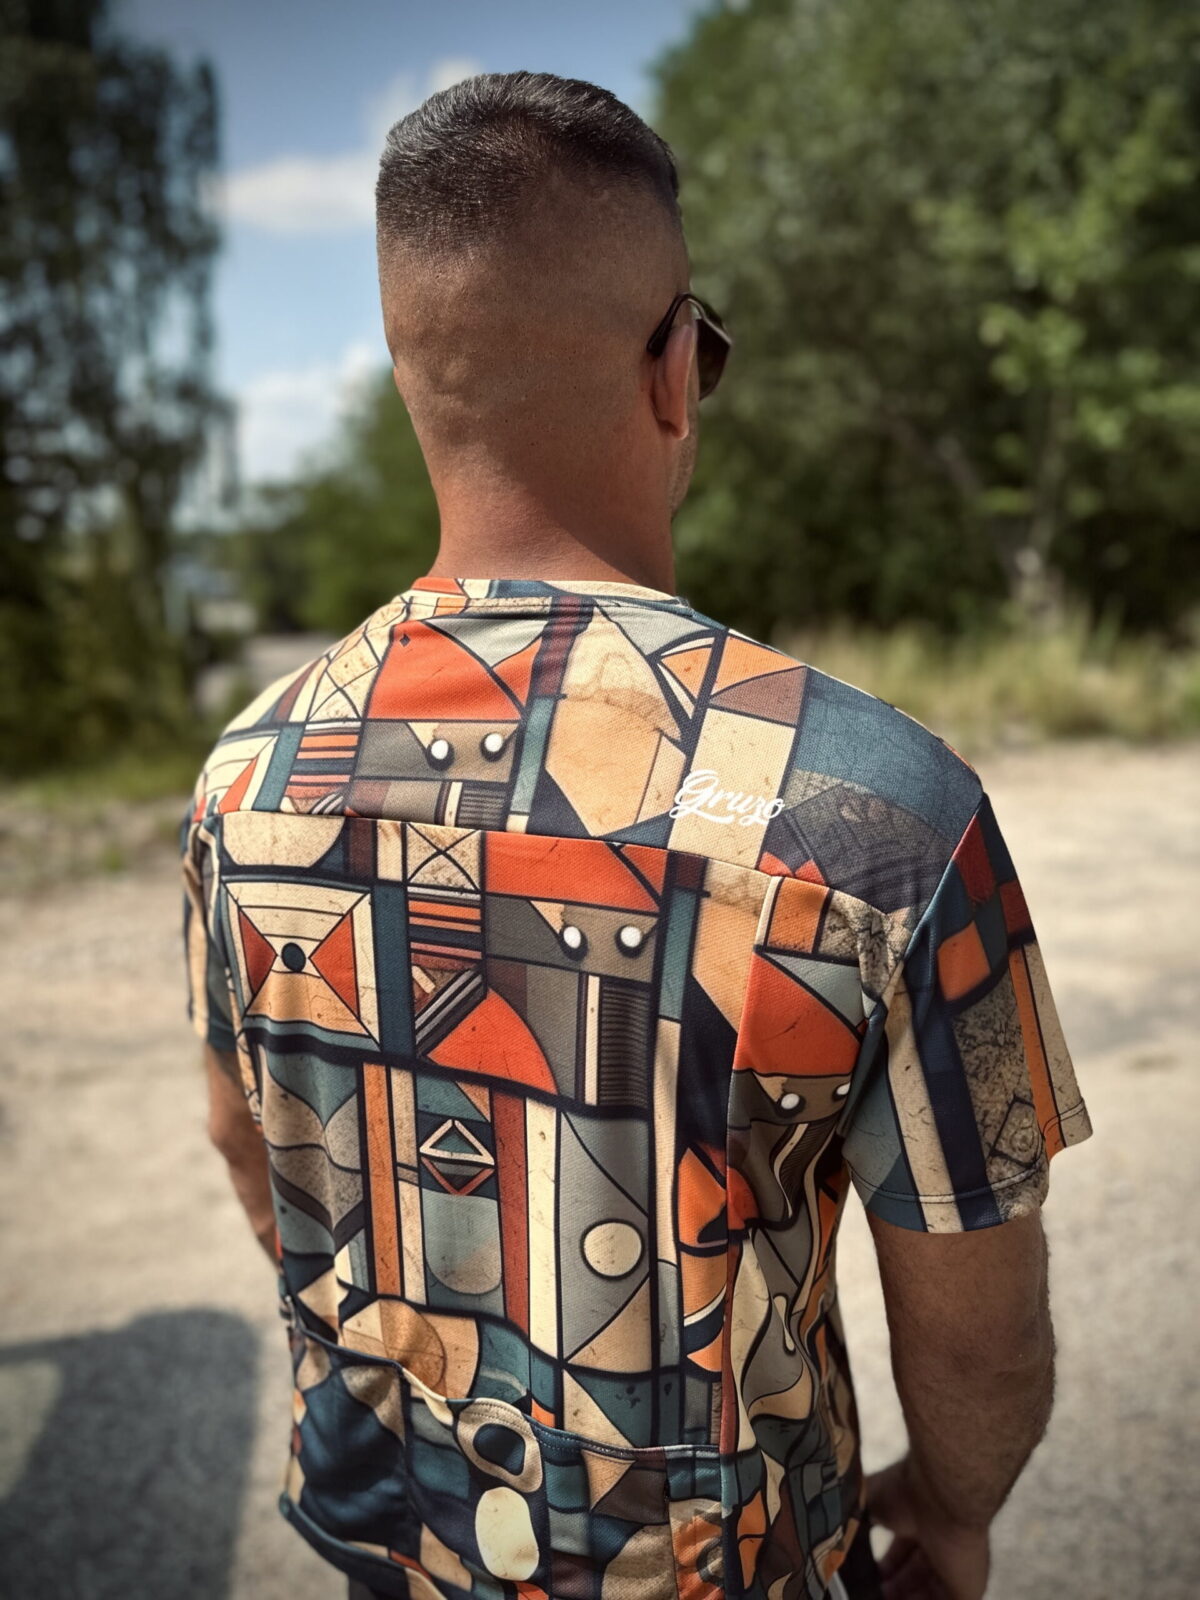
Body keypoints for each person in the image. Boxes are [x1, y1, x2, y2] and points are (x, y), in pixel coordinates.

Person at [180, 71, 1093, 1600]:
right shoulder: (883, 813)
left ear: (415, 380)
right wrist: (952, 1505)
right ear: (675, 369)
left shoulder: (246, 776)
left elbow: (242, 1139)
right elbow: (978, 1315)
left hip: (395, 1551)